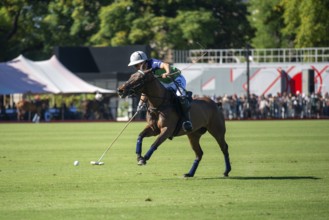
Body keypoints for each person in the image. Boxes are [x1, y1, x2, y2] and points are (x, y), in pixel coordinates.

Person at [128, 51, 193, 132]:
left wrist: (167, 72)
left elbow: (166, 65)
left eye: (137, 65)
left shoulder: (152, 63)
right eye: (135, 66)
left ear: (143, 62)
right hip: (165, 83)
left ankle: (187, 121)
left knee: (180, 96)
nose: (136, 67)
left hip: (176, 79)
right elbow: (146, 90)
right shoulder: (143, 74)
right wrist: (140, 104)